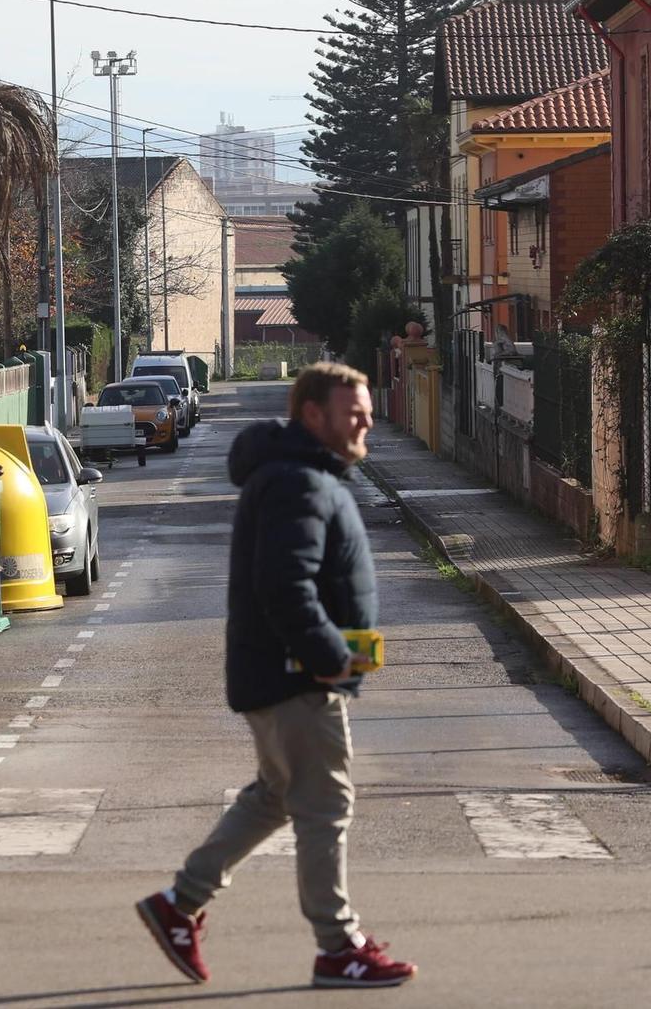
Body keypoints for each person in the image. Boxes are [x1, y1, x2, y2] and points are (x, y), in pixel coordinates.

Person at [136, 361, 417, 990]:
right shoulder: (301, 484)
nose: (367, 420)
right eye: (355, 411)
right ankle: (337, 946)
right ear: (313, 414)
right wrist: (327, 655)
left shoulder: (303, 475)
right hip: (298, 678)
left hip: (280, 673)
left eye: (367, 409)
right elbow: (284, 585)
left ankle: (178, 904)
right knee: (325, 804)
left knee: (275, 796)